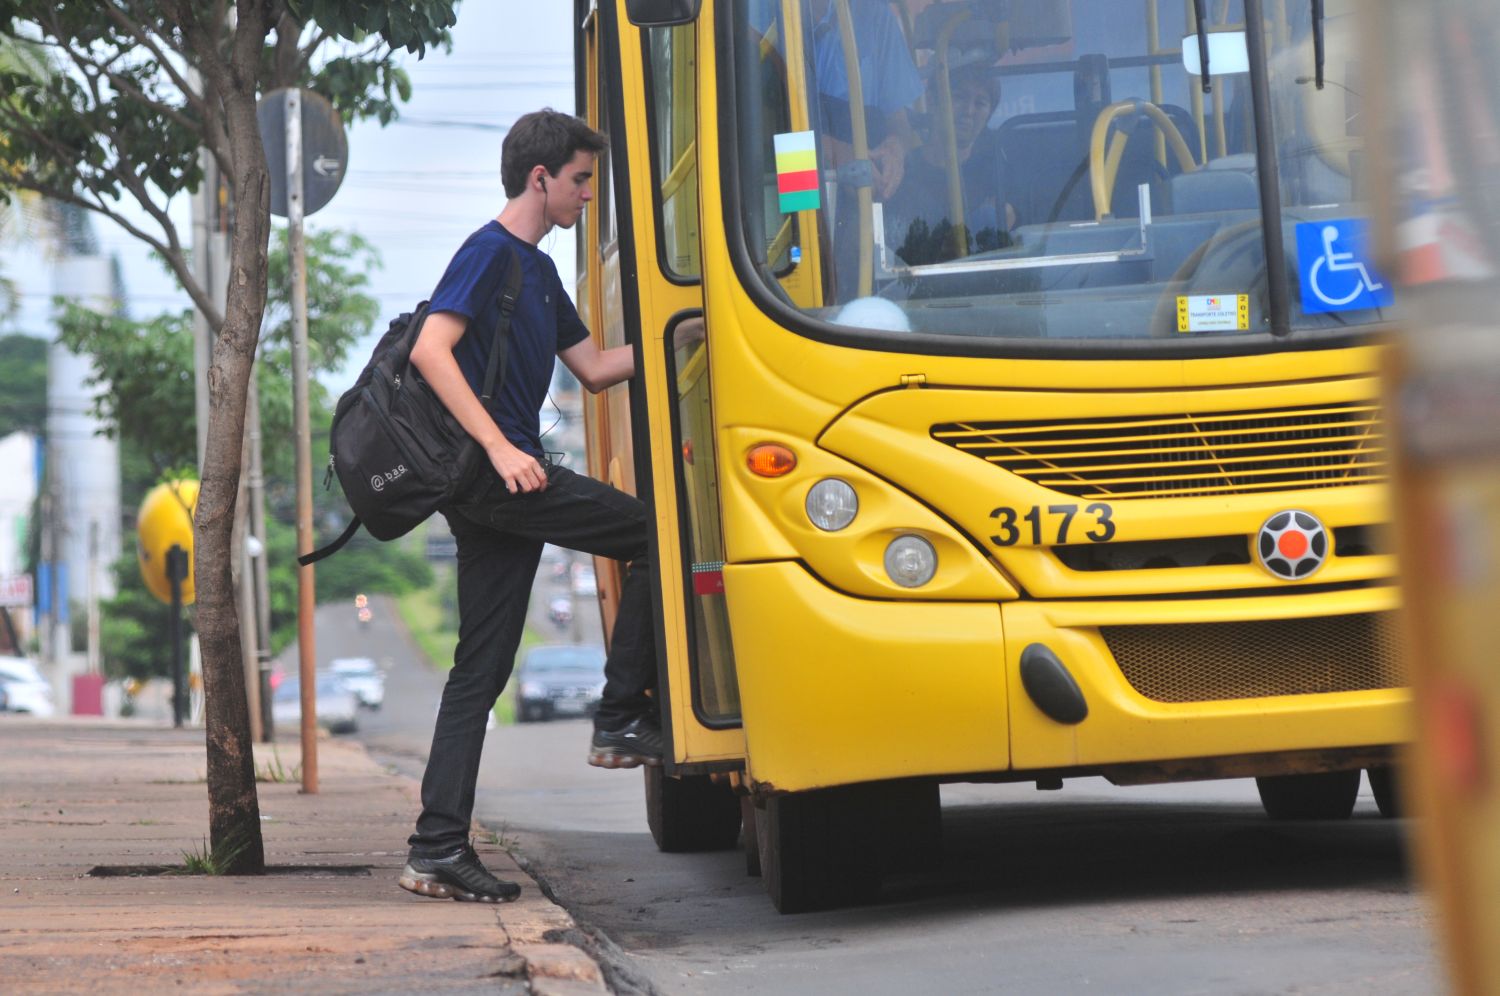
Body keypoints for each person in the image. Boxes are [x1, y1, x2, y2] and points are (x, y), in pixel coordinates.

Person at [396, 109, 661, 905]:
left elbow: (598, 368)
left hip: (497, 492)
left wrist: (702, 323)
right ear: (540, 178)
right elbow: (429, 349)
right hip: (497, 479)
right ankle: (618, 716)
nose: (589, 196)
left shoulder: (542, 275)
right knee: (649, 531)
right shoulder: (489, 252)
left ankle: (436, 848)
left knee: (478, 672)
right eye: (581, 181)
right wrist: (504, 450)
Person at [884, 60, 1014, 265]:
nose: (969, 111)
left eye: (980, 103)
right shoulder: (900, 170)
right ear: (932, 101)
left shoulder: (998, 173)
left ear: (989, 113)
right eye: (959, 97)